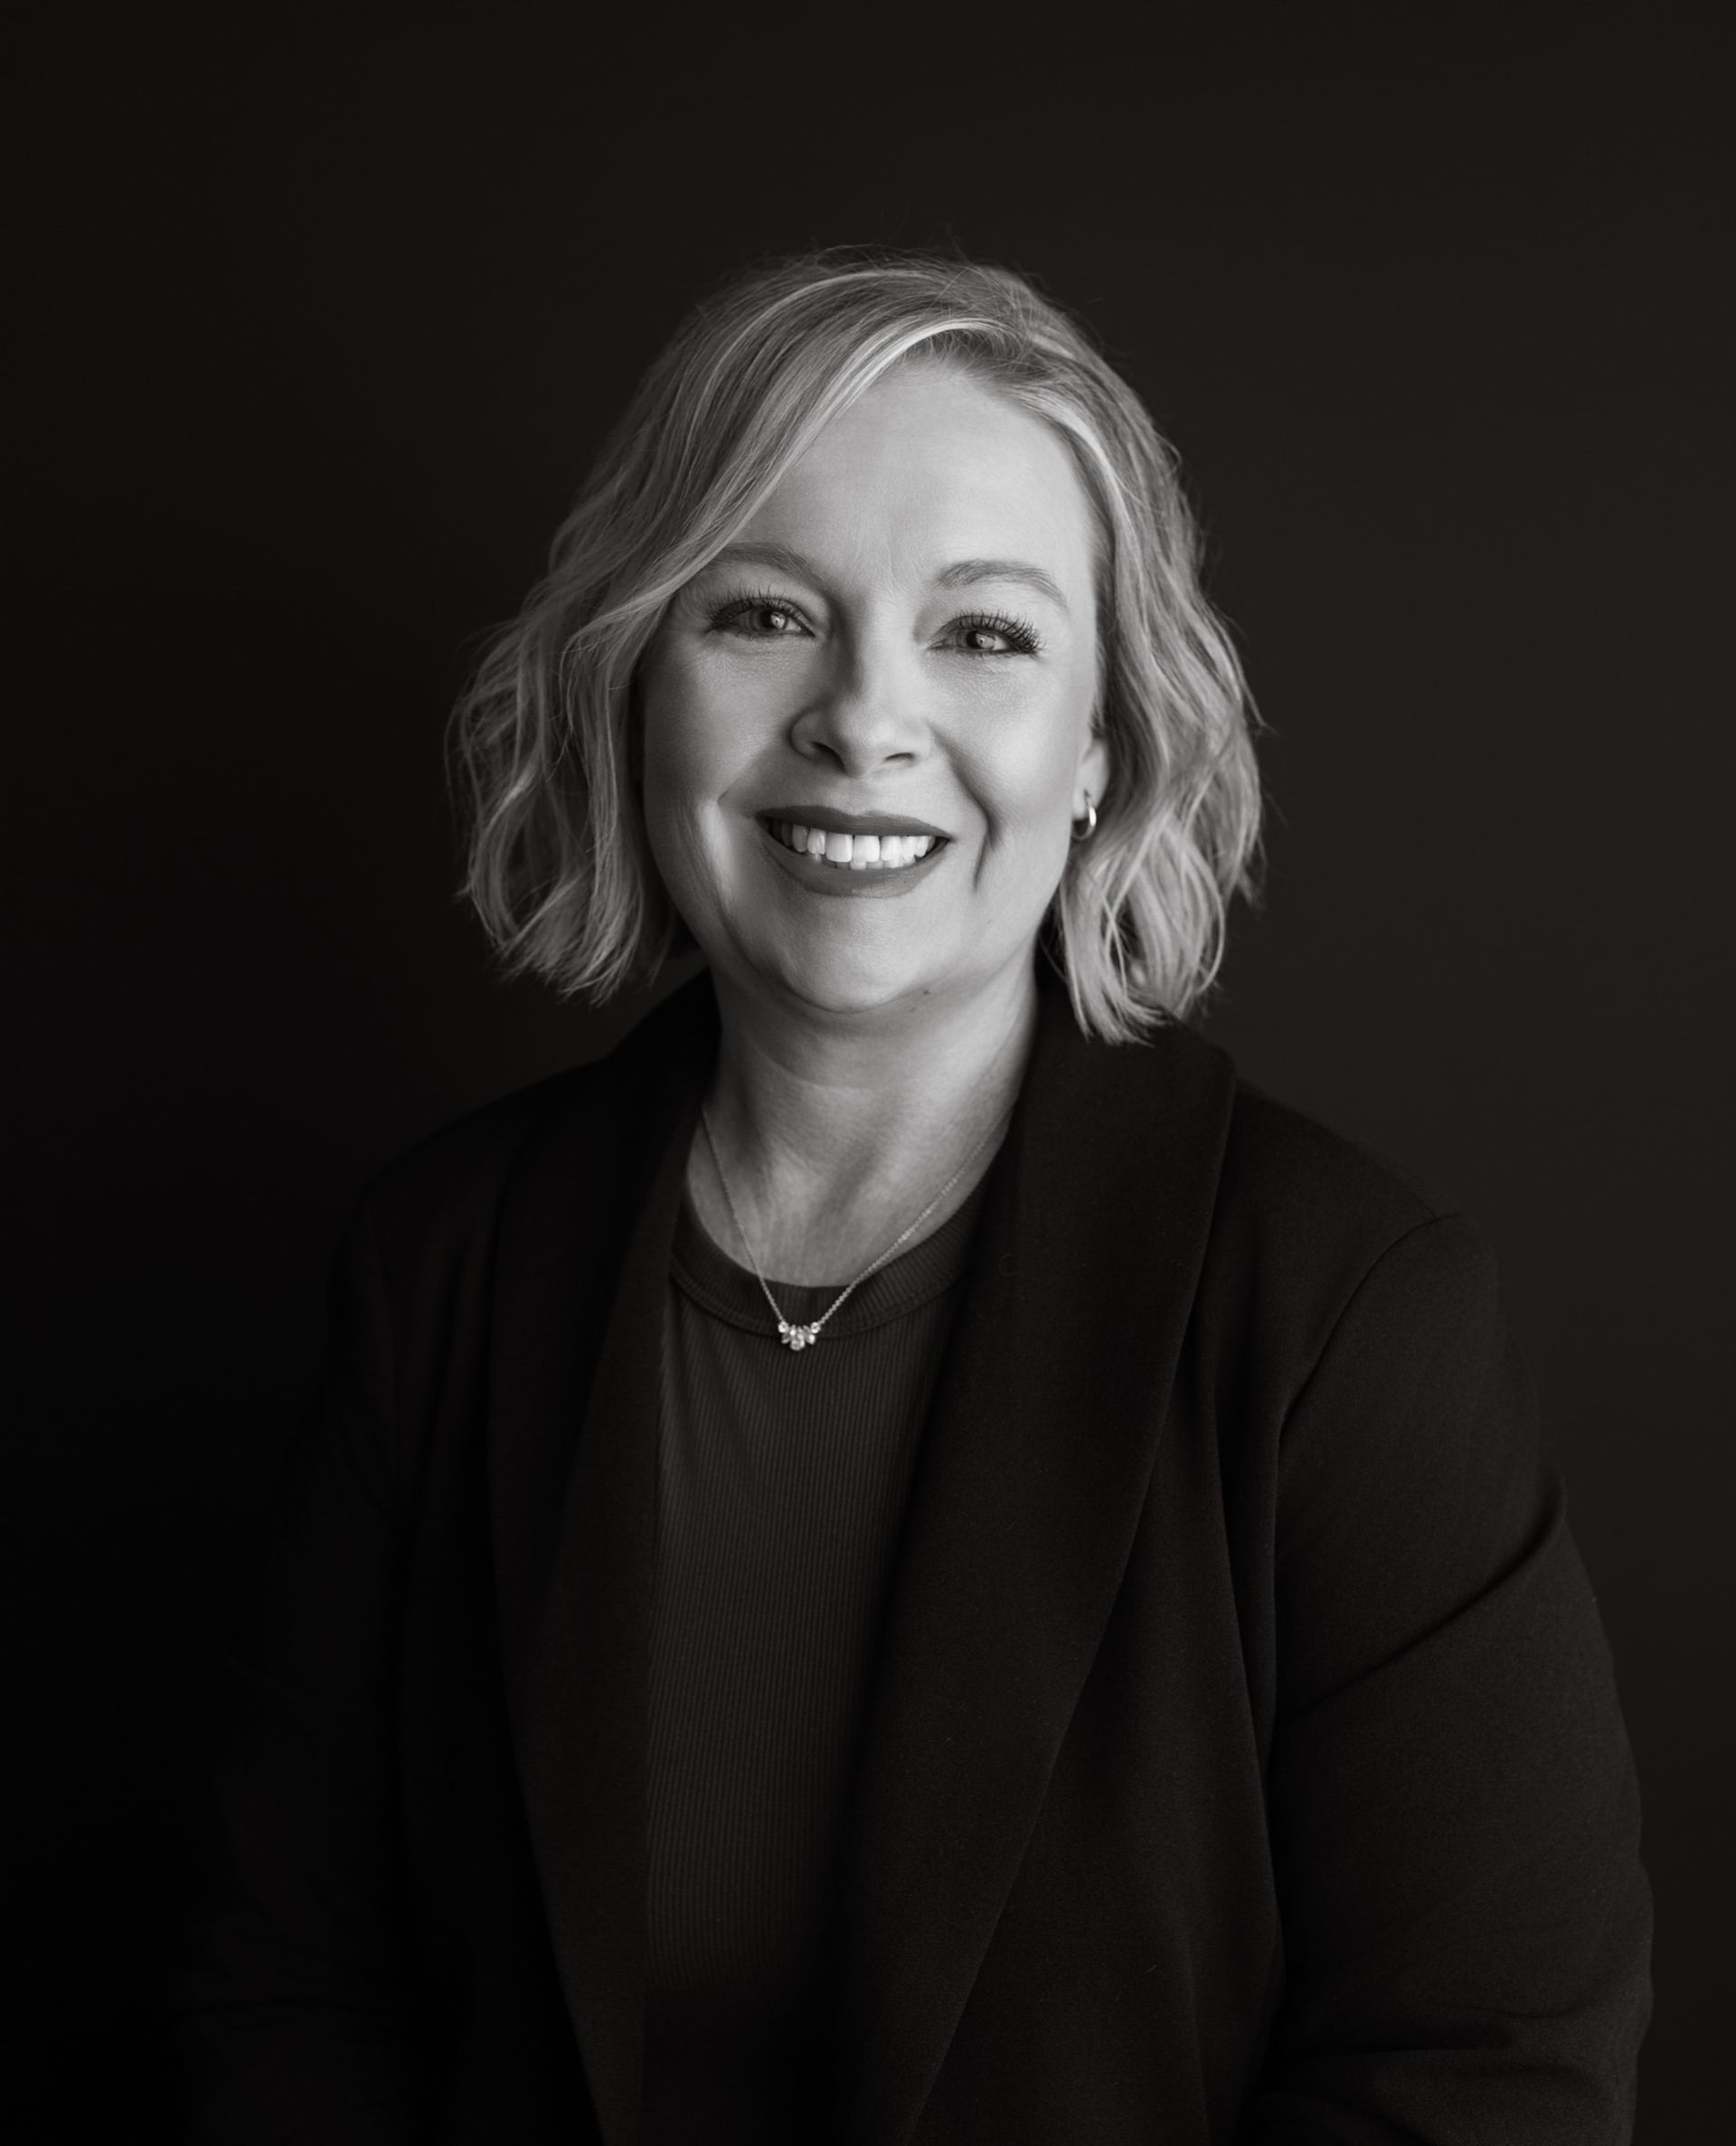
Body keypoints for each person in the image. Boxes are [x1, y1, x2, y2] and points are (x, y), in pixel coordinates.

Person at [172, 249, 1651, 2144]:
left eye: (985, 635)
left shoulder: (1347, 1314)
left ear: (1105, 745)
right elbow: (287, 1993)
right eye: (767, 611)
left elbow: (1488, 2074)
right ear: (638, 677)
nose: (864, 719)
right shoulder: (441, 1268)